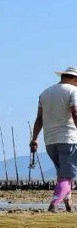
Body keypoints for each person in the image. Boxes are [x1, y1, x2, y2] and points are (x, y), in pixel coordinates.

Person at [31, 66, 77, 212]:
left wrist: (34, 139)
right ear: (75, 79)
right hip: (68, 138)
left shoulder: (45, 93)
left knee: (62, 175)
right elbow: (75, 112)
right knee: (67, 175)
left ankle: (69, 205)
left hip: (50, 140)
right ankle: (53, 205)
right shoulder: (73, 91)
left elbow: (39, 119)